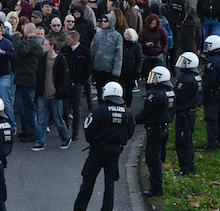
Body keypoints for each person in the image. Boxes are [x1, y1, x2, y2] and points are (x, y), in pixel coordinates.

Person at [73, 82, 135, 211]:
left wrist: (93, 141)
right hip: (116, 150)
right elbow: (130, 131)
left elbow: (89, 129)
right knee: (110, 182)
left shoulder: (99, 110)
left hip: (98, 150)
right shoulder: (127, 113)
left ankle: (80, 208)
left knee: (88, 180)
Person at [135, 66, 175, 197]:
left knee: (153, 159)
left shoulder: (155, 95)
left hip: (155, 130)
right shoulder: (170, 92)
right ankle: (157, 185)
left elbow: (146, 112)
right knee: (158, 157)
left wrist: (136, 120)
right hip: (164, 128)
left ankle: (156, 188)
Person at [31, 38, 72, 151]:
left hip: (55, 96)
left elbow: (64, 79)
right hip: (43, 95)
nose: (43, 46)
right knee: (42, 120)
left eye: (45, 45)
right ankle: (40, 142)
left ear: (51, 46)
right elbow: (39, 77)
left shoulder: (60, 60)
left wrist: (59, 93)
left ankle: (66, 137)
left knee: (58, 119)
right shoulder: (42, 59)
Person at [11, 23, 44, 144]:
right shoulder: (33, 42)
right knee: (23, 107)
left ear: (26, 31)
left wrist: (15, 37)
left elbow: (21, 50)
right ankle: (27, 130)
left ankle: (33, 133)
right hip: (24, 78)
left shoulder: (33, 42)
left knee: (28, 107)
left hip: (28, 79)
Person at [173, 52, 202, 176]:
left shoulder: (186, 79)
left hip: (184, 114)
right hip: (191, 113)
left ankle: (185, 168)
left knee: (182, 142)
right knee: (188, 141)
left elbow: (178, 96)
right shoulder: (197, 77)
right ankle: (190, 165)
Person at [60, 30, 92, 140]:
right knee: (64, 107)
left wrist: (81, 81)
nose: (66, 41)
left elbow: (88, 69)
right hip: (66, 83)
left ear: (75, 39)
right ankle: (66, 127)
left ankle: (75, 132)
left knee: (76, 108)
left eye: (68, 39)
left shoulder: (85, 52)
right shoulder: (65, 50)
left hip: (77, 84)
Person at [202, 35, 220, 151]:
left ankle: (211, 143)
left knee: (211, 118)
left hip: (212, 93)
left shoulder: (213, 61)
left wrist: (203, 92)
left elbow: (210, 80)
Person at [90, 14, 123, 103]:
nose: (103, 23)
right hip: (98, 67)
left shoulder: (117, 36)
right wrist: (91, 66)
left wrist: (116, 71)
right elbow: (92, 49)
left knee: (109, 92)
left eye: (105, 21)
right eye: (102, 21)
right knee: (99, 92)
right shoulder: (98, 34)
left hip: (110, 69)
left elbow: (118, 54)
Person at [118, 28, 142, 108]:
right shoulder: (121, 44)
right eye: (126, 34)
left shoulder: (136, 46)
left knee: (129, 89)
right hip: (121, 69)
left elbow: (139, 59)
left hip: (131, 71)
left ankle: (128, 105)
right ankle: (121, 103)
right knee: (121, 88)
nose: (126, 36)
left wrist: (137, 71)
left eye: (128, 34)